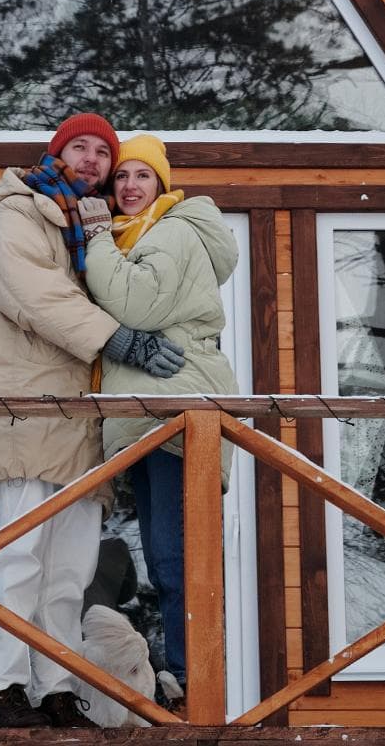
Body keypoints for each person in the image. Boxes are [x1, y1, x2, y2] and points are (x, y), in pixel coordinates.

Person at [0, 114, 187, 728]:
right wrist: (119, 340)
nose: (91, 159)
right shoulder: (17, 214)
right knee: (20, 558)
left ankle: (57, 689)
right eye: (79, 147)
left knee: (70, 573)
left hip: (83, 422)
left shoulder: (91, 230)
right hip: (23, 411)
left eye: (102, 152)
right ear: (55, 154)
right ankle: (6, 692)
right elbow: (37, 296)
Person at [78, 134, 239, 712]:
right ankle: (181, 677)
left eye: (142, 175)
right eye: (121, 176)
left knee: (176, 557)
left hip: (177, 413)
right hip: (150, 415)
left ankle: (195, 684)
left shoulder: (172, 230)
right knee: (164, 554)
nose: (129, 186)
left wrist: (97, 236)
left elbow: (135, 305)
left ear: (163, 184)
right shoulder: (137, 234)